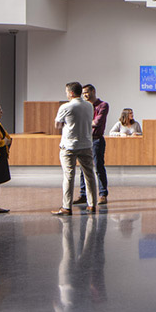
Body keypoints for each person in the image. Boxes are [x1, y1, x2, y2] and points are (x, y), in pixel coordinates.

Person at [54, 81, 97, 216]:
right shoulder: (89, 106)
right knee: (89, 175)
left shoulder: (65, 107)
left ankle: (66, 207)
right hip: (86, 144)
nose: (66, 94)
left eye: (67, 92)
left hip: (69, 146)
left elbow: (57, 125)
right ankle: (92, 205)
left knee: (69, 176)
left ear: (71, 93)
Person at [75, 84, 109, 205]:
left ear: (93, 91)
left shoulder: (103, 105)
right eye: (83, 93)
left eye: (86, 93)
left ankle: (103, 194)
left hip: (96, 140)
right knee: (82, 168)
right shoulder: (84, 106)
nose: (84, 95)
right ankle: (83, 194)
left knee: (98, 167)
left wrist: (84, 123)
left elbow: (97, 122)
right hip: (85, 140)